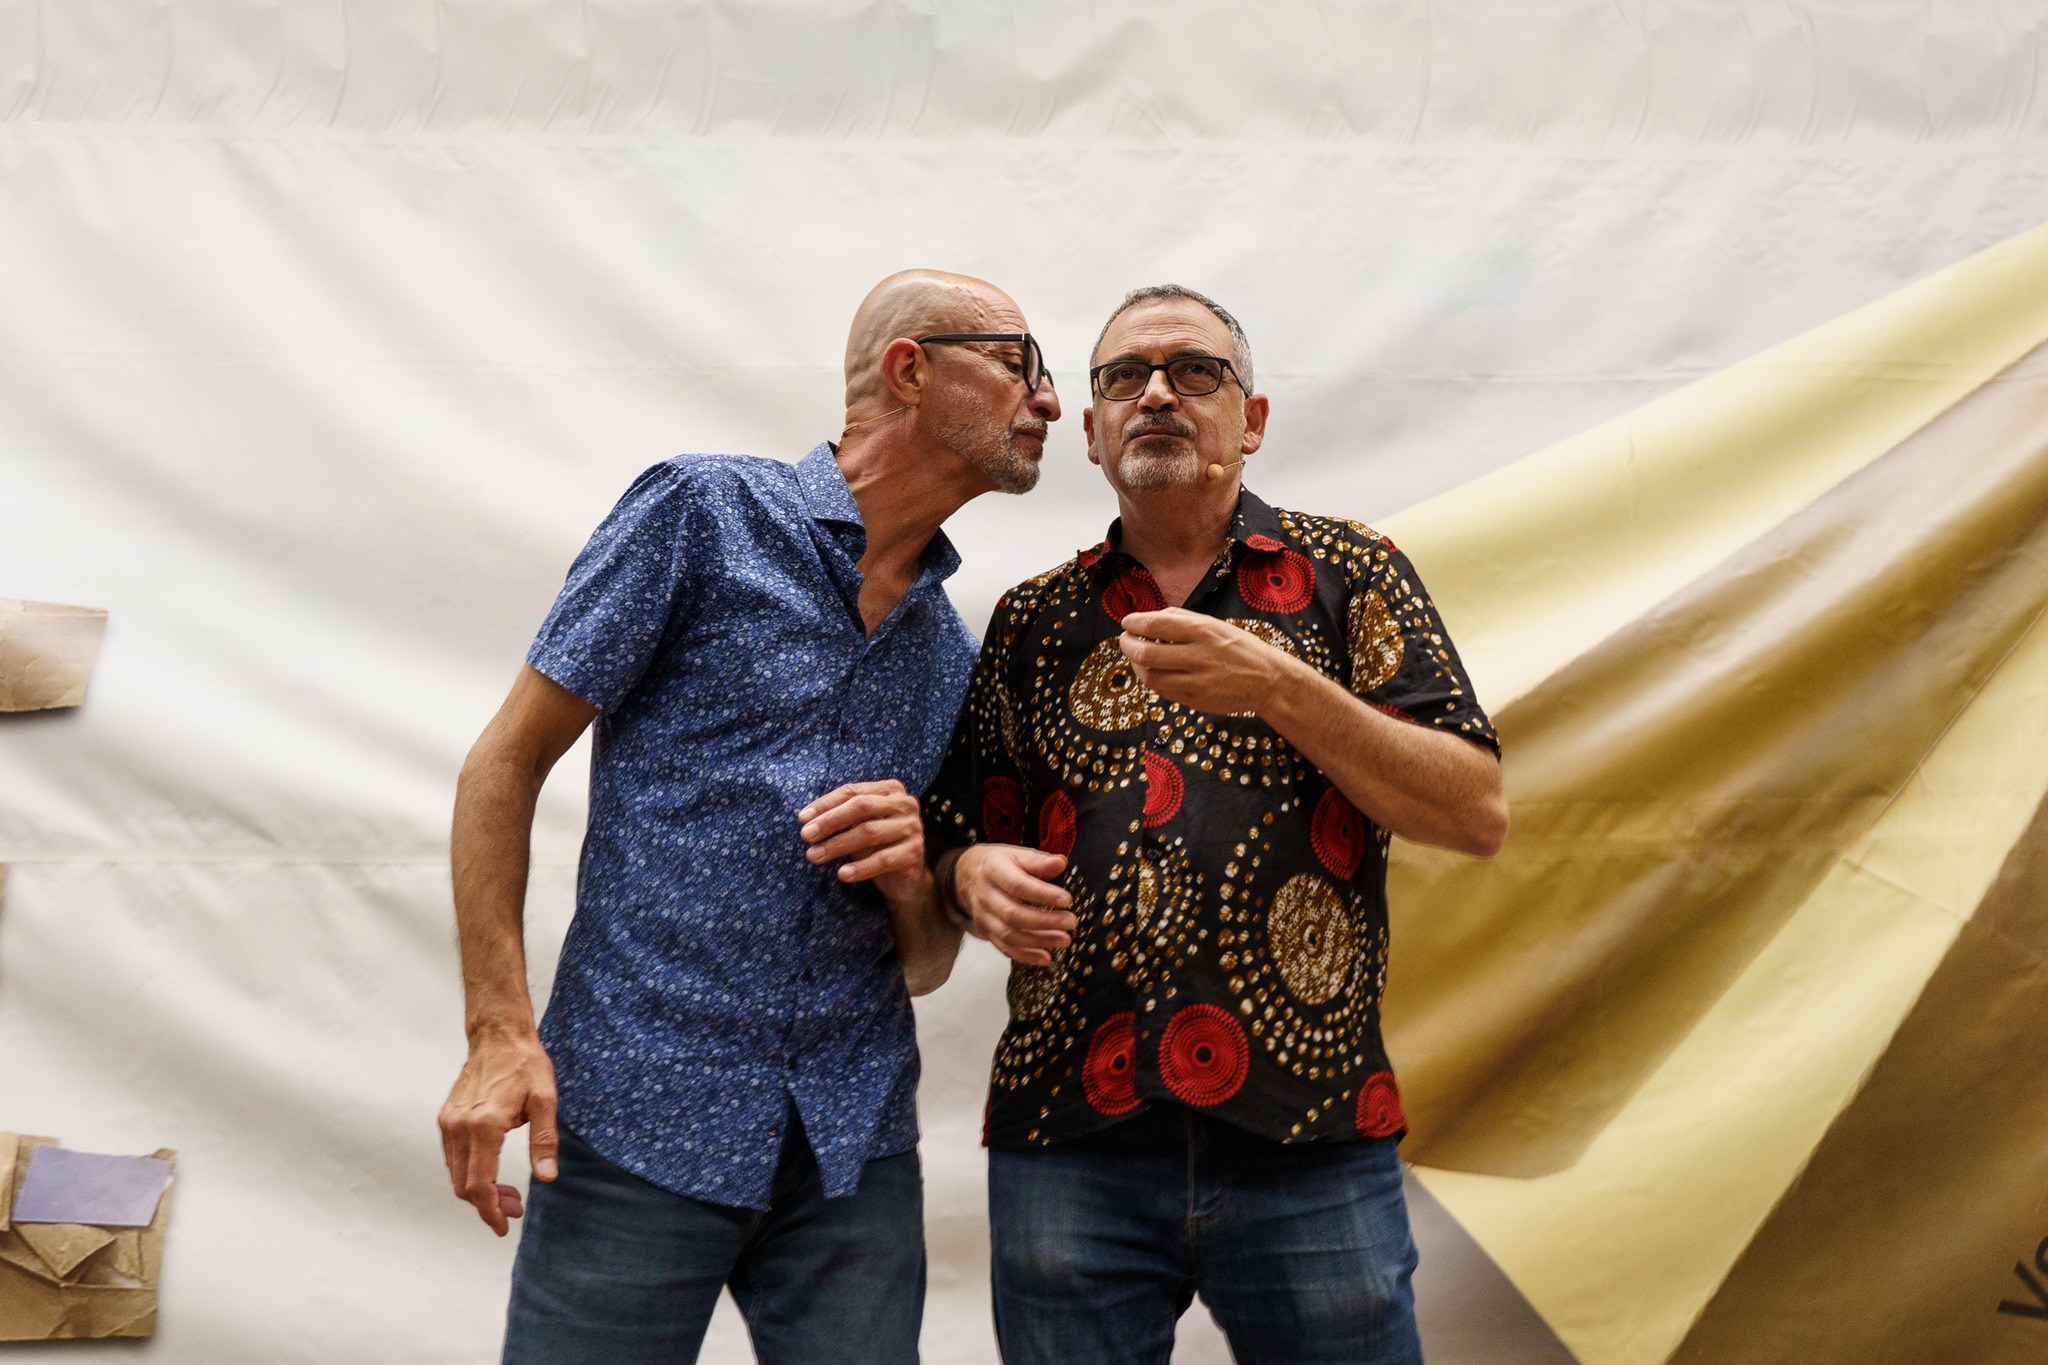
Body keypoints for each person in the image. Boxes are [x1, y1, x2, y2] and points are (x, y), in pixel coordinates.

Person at [437, 269, 1061, 1365]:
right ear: (909, 369)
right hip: (632, 1110)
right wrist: (498, 1030)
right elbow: (505, 762)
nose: (1049, 399)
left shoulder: (947, 656)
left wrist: (913, 880)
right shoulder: (701, 513)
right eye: (1020, 362)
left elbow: (923, 967)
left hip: (851, 1152)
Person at [923, 284, 1507, 1365]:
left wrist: (1282, 687)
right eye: (1123, 377)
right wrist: (965, 876)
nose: (1155, 394)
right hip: (1068, 1135)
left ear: (1252, 420)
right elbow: (954, 837)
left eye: (1193, 371)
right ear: (1091, 431)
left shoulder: (1353, 573)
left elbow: (1473, 811)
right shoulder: (1029, 620)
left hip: (1307, 1128)